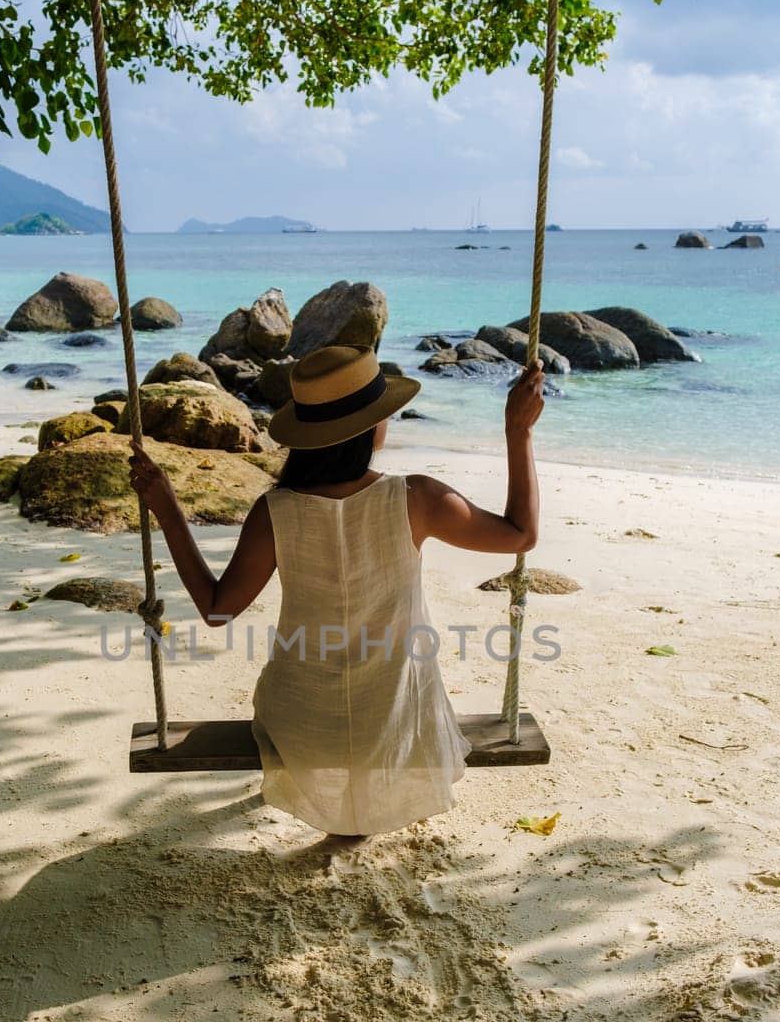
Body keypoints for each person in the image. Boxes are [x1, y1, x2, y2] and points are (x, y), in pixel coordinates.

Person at [128, 342, 543, 836]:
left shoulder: (274, 511)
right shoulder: (417, 498)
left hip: (303, 730)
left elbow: (218, 611)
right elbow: (522, 534)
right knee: (394, 693)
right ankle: (361, 809)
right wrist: (518, 431)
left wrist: (167, 508)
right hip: (396, 730)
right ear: (370, 427)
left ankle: (346, 809)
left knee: (316, 699)